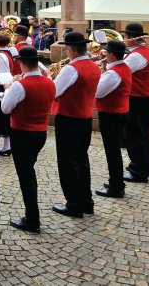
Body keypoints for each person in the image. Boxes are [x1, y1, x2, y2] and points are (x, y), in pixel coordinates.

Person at [1, 46, 55, 233]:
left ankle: (32, 219)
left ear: (23, 64)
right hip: (40, 132)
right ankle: (32, 217)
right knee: (28, 172)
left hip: (22, 132)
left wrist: (9, 88)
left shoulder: (20, 85)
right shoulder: (49, 82)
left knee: (26, 176)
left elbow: (5, 109)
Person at [51, 31, 101, 218]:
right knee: (81, 159)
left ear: (71, 51)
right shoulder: (94, 67)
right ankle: (86, 201)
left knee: (67, 162)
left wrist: (48, 77)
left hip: (68, 117)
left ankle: (74, 204)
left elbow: (54, 92)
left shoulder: (71, 69)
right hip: (85, 117)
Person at [93, 40, 132, 199]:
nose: (104, 55)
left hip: (111, 114)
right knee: (114, 151)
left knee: (112, 152)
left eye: (106, 52)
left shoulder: (113, 72)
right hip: (120, 112)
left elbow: (98, 93)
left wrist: (98, 74)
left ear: (111, 55)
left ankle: (116, 186)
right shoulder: (124, 68)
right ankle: (115, 182)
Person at [121, 23, 149, 183]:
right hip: (145, 96)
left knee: (135, 135)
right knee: (141, 134)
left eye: (125, 37)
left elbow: (121, 72)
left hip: (139, 97)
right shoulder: (142, 52)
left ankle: (138, 170)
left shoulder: (137, 55)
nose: (124, 40)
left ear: (133, 39)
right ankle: (143, 168)